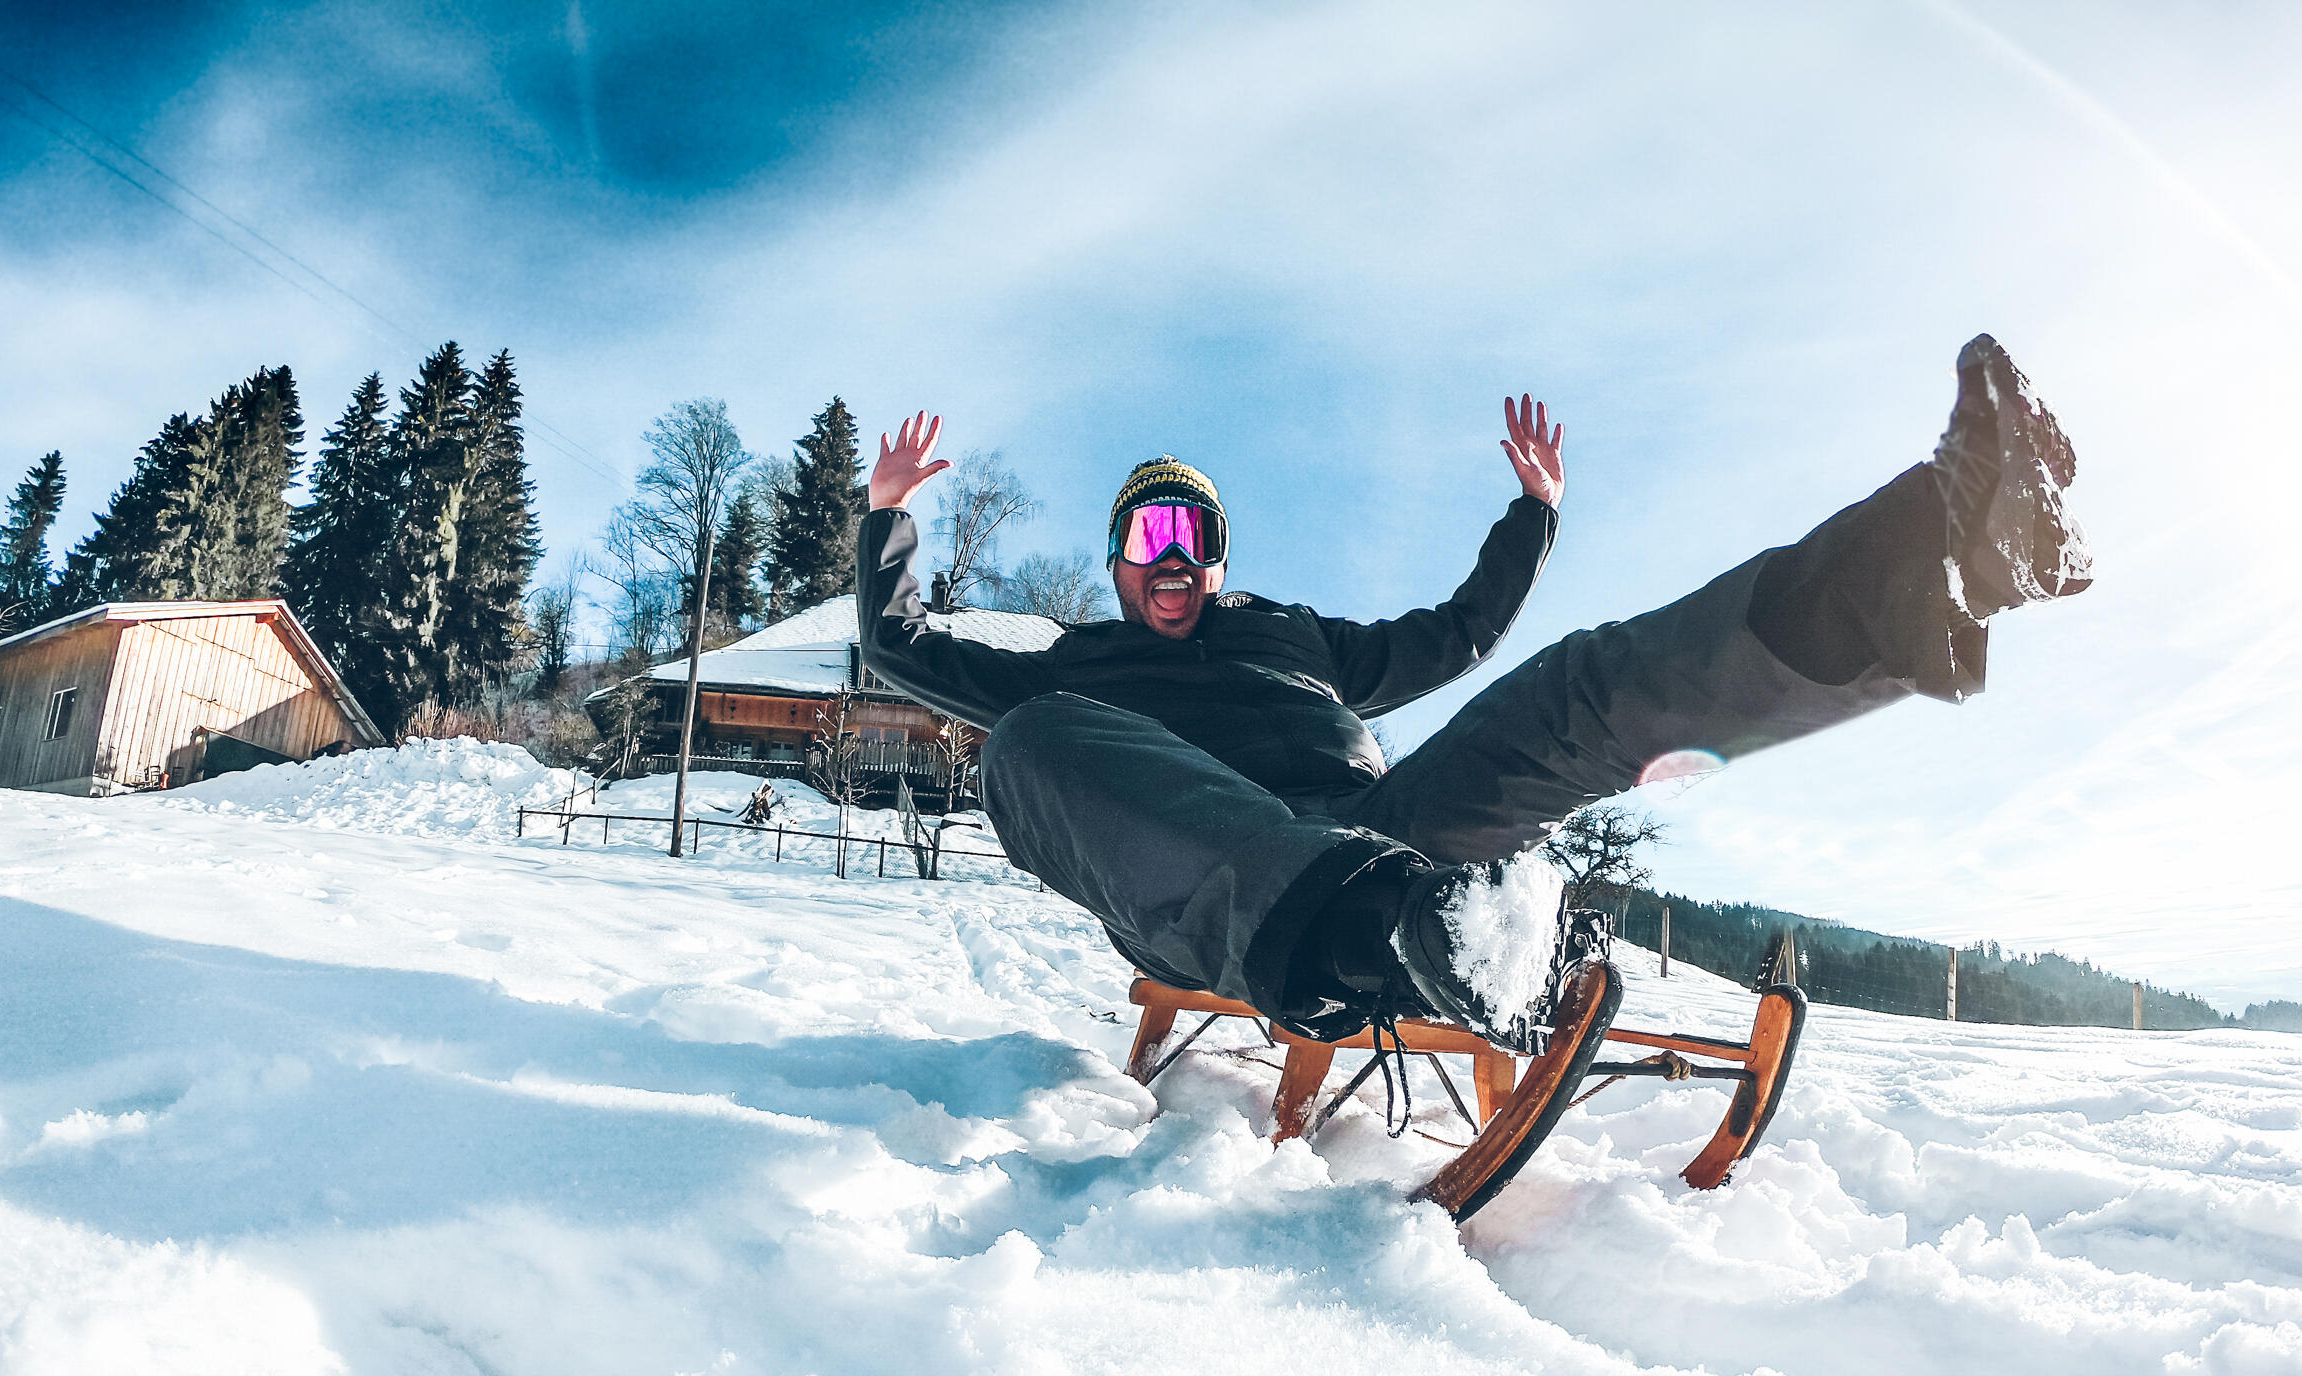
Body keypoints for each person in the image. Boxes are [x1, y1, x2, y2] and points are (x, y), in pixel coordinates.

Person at [854, 337, 2089, 1049]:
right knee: (1029, 738)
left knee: (1572, 686)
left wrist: (1532, 516)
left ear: (1219, 554)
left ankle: (1942, 543)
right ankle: (1389, 929)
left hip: (1391, 848)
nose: (1171, 552)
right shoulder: (1082, 662)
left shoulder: (1290, 636)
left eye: (1193, 529)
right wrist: (887, 520)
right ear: (1119, 558)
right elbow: (904, 649)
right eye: (1147, 532)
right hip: (1210, 897)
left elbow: (1454, 635)